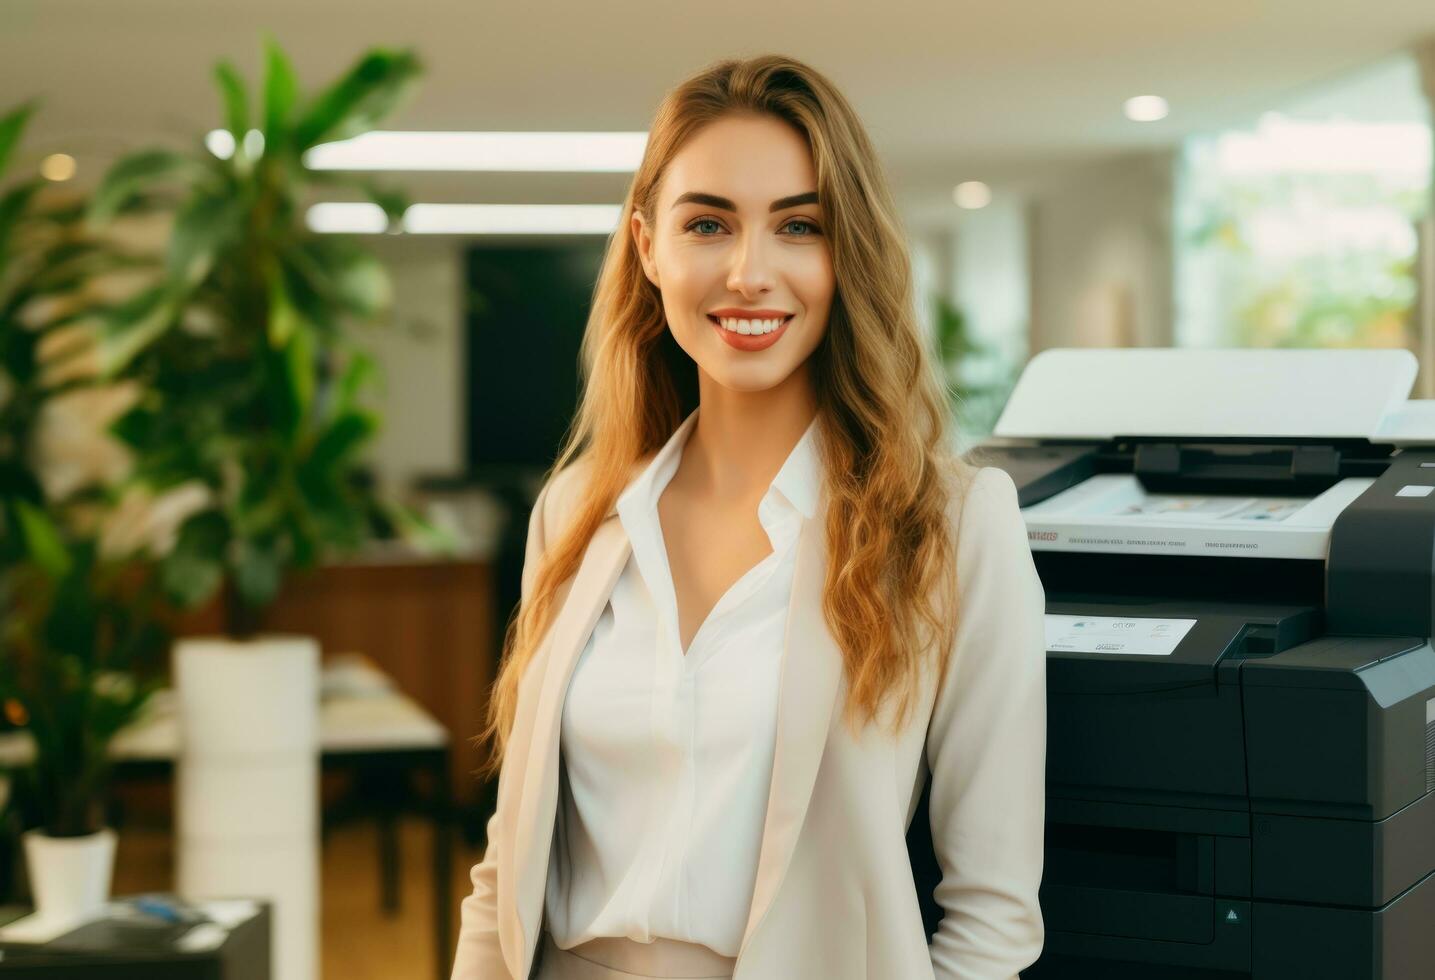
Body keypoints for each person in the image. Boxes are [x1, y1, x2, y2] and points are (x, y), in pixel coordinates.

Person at [451, 53, 1047, 980]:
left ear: (845, 250)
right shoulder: (574, 514)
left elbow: (992, 918)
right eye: (707, 224)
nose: (749, 272)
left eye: (798, 226)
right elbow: (505, 868)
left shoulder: (952, 526)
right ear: (647, 247)